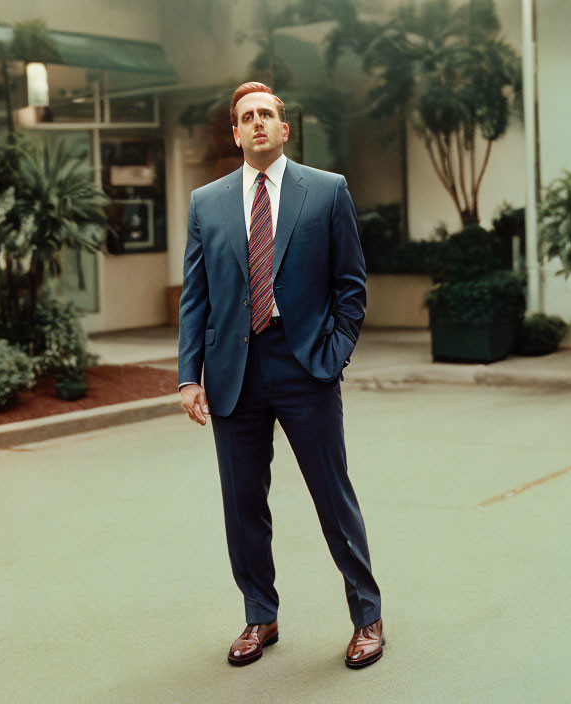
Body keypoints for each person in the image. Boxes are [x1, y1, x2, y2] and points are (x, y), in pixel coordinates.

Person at [177, 82, 383, 669]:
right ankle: (259, 615)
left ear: (284, 129)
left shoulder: (326, 191)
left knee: (331, 496)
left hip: (304, 367)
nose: (258, 123)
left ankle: (367, 616)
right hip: (232, 374)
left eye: (268, 114)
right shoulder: (206, 203)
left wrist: (334, 352)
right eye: (248, 117)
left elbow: (351, 285)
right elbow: (196, 297)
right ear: (235, 133)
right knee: (243, 503)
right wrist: (188, 376)